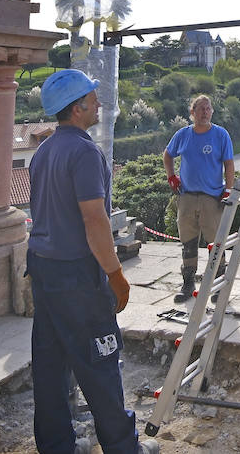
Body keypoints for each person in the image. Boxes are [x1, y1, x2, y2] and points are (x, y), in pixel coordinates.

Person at [28, 69, 158, 454]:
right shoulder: (84, 152)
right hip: (76, 277)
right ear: (77, 107)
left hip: (43, 269)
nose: (98, 103)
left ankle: (56, 447)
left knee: (50, 367)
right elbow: (94, 219)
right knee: (100, 363)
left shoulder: (44, 151)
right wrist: (115, 274)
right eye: (92, 97)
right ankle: (123, 448)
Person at [163, 94, 236, 302]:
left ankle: (218, 286)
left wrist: (228, 190)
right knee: (188, 241)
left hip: (211, 197)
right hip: (186, 196)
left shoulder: (221, 135)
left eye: (208, 108)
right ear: (192, 113)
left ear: (212, 111)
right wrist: (171, 177)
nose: (205, 112)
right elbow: (168, 155)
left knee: (215, 243)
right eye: (200, 109)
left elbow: (229, 164)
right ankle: (188, 283)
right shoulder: (183, 135)